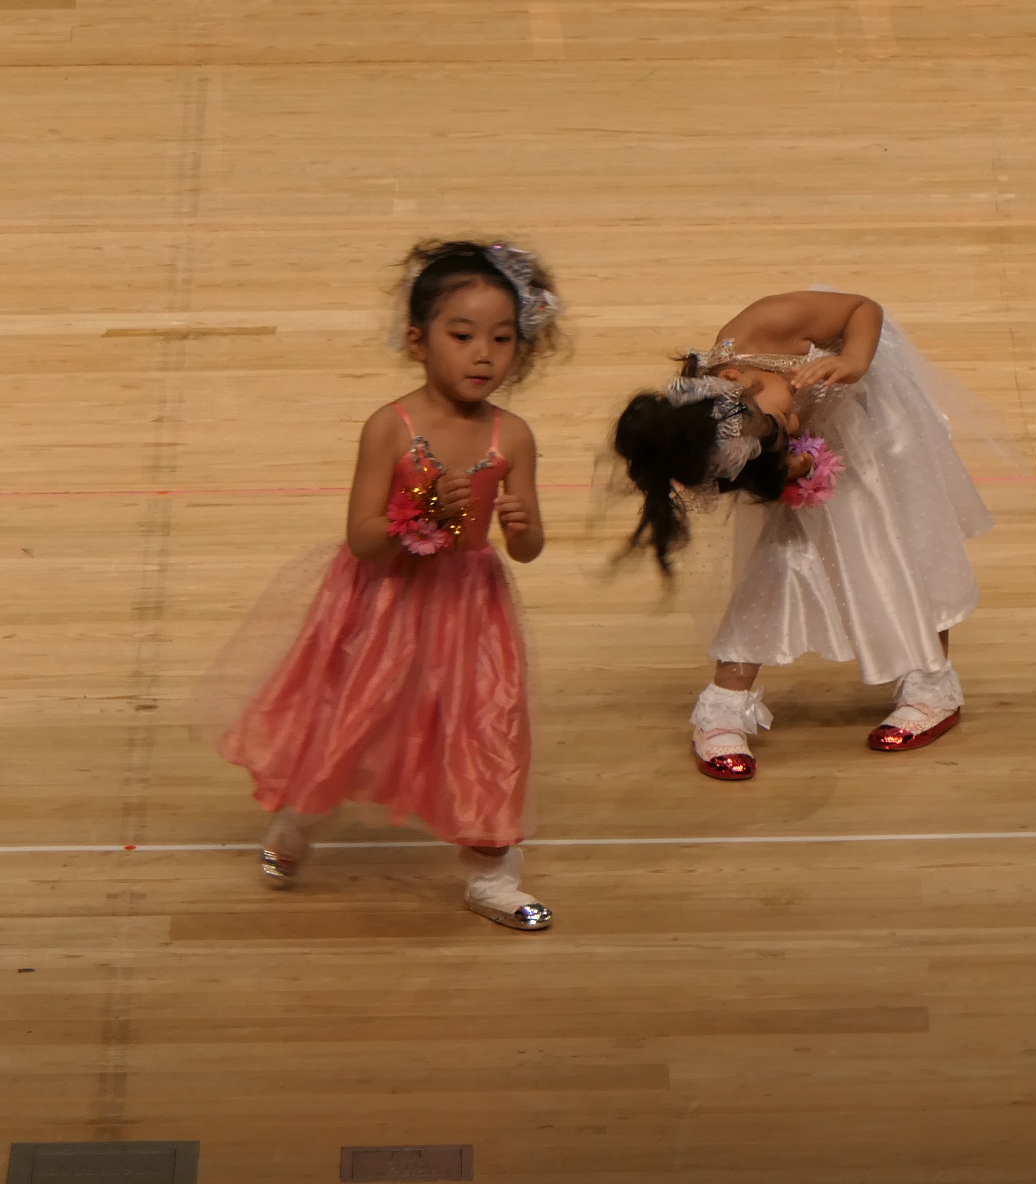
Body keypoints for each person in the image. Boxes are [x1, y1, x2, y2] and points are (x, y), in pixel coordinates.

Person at [207, 240, 561, 931]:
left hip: (471, 610)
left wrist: (521, 528)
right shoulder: (390, 429)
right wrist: (422, 510)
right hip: (387, 606)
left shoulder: (513, 437)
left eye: (502, 339)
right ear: (418, 341)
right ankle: (299, 822)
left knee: (487, 729)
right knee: (354, 721)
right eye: (463, 336)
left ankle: (492, 874)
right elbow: (363, 537)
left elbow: (528, 548)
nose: (483, 355)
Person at [614, 289, 993, 778]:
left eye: (779, 423)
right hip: (823, 438)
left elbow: (863, 308)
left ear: (735, 379)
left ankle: (932, 684)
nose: (791, 425)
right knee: (780, 557)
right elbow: (775, 452)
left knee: (909, 537)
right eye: (778, 432)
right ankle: (723, 705)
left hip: (875, 415)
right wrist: (792, 465)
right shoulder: (726, 433)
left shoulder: (768, 324)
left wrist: (853, 360)